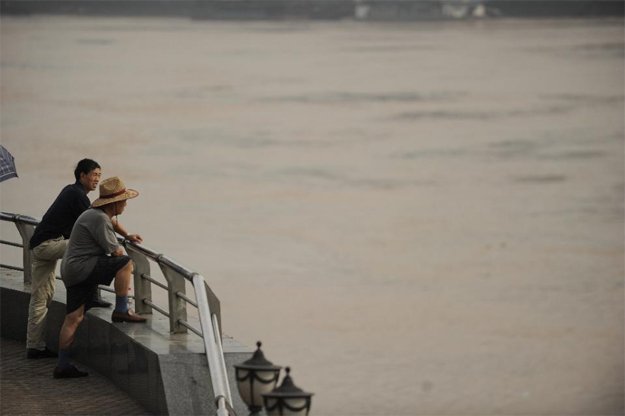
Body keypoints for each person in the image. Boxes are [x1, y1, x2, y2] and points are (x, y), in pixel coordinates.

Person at [26, 159, 143, 359]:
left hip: (41, 245)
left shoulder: (73, 192)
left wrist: (126, 235)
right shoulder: (77, 195)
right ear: (82, 175)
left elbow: (107, 219)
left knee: (42, 297)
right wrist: (125, 238)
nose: (97, 179)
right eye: (94, 175)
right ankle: (99, 299)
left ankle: (34, 345)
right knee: (93, 245)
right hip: (48, 245)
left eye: (99, 175)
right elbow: (104, 222)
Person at [53, 176, 147, 379]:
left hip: (72, 269)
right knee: (125, 262)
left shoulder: (97, 215)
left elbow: (112, 223)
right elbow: (117, 254)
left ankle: (62, 365)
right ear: (114, 203)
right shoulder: (100, 219)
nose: (126, 204)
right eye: (124, 200)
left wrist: (127, 235)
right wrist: (122, 246)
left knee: (74, 318)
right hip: (81, 269)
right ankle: (121, 309)